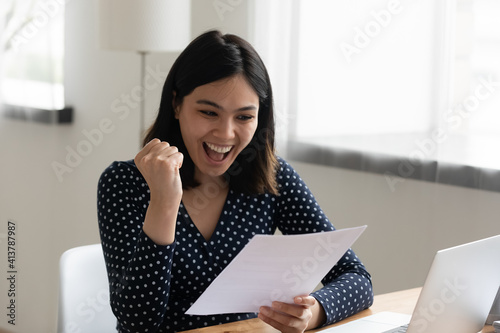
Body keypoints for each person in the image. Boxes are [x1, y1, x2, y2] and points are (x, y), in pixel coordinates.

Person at [97, 30, 373, 333]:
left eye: (243, 117)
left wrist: (314, 312)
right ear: (176, 104)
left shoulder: (272, 178)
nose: (225, 134)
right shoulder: (124, 183)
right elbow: (139, 322)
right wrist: (164, 201)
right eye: (208, 112)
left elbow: (356, 277)